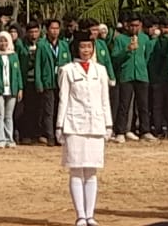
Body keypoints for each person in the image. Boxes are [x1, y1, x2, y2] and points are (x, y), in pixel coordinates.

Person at [57, 29, 113, 226]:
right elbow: (63, 98)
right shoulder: (67, 70)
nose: (86, 50)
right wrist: (59, 125)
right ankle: (80, 215)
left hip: (96, 123)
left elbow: (105, 99)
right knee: (76, 170)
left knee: (91, 171)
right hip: (74, 124)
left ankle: (90, 215)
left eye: (89, 46)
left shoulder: (101, 70)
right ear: (76, 48)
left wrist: (108, 123)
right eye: (82, 46)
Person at [110, 12, 152, 143]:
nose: (134, 28)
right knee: (124, 105)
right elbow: (115, 57)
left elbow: (147, 56)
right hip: (126, 75)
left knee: (143, 104)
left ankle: (145, 130)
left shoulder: (145, 38)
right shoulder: (120, 39)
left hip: (141, 74)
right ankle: (120, 131)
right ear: (127, 25)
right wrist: (127, 49)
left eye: (137, 25)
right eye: (131, 25)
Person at [36, 19, 71, 148]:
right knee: (48, 110)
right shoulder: (42, 45)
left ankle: (59, 136)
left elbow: (69, 63)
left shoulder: (64, 45)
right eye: (52, 28)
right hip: (48, 81)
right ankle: (49, 135)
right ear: (47, 30)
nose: (55, 31)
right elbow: (38, 64)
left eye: (57, 28)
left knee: (60, 109)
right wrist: (39, 82)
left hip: (62, 82)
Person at [16, 22, 41, 144]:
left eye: (36, 32)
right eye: (31, 32)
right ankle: (24, 134)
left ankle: (36, 134)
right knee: (24, 110)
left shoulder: (42, 44)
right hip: (25, 81)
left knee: (37, 109)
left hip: (38, 81)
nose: (34, 34)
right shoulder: (21, 45)